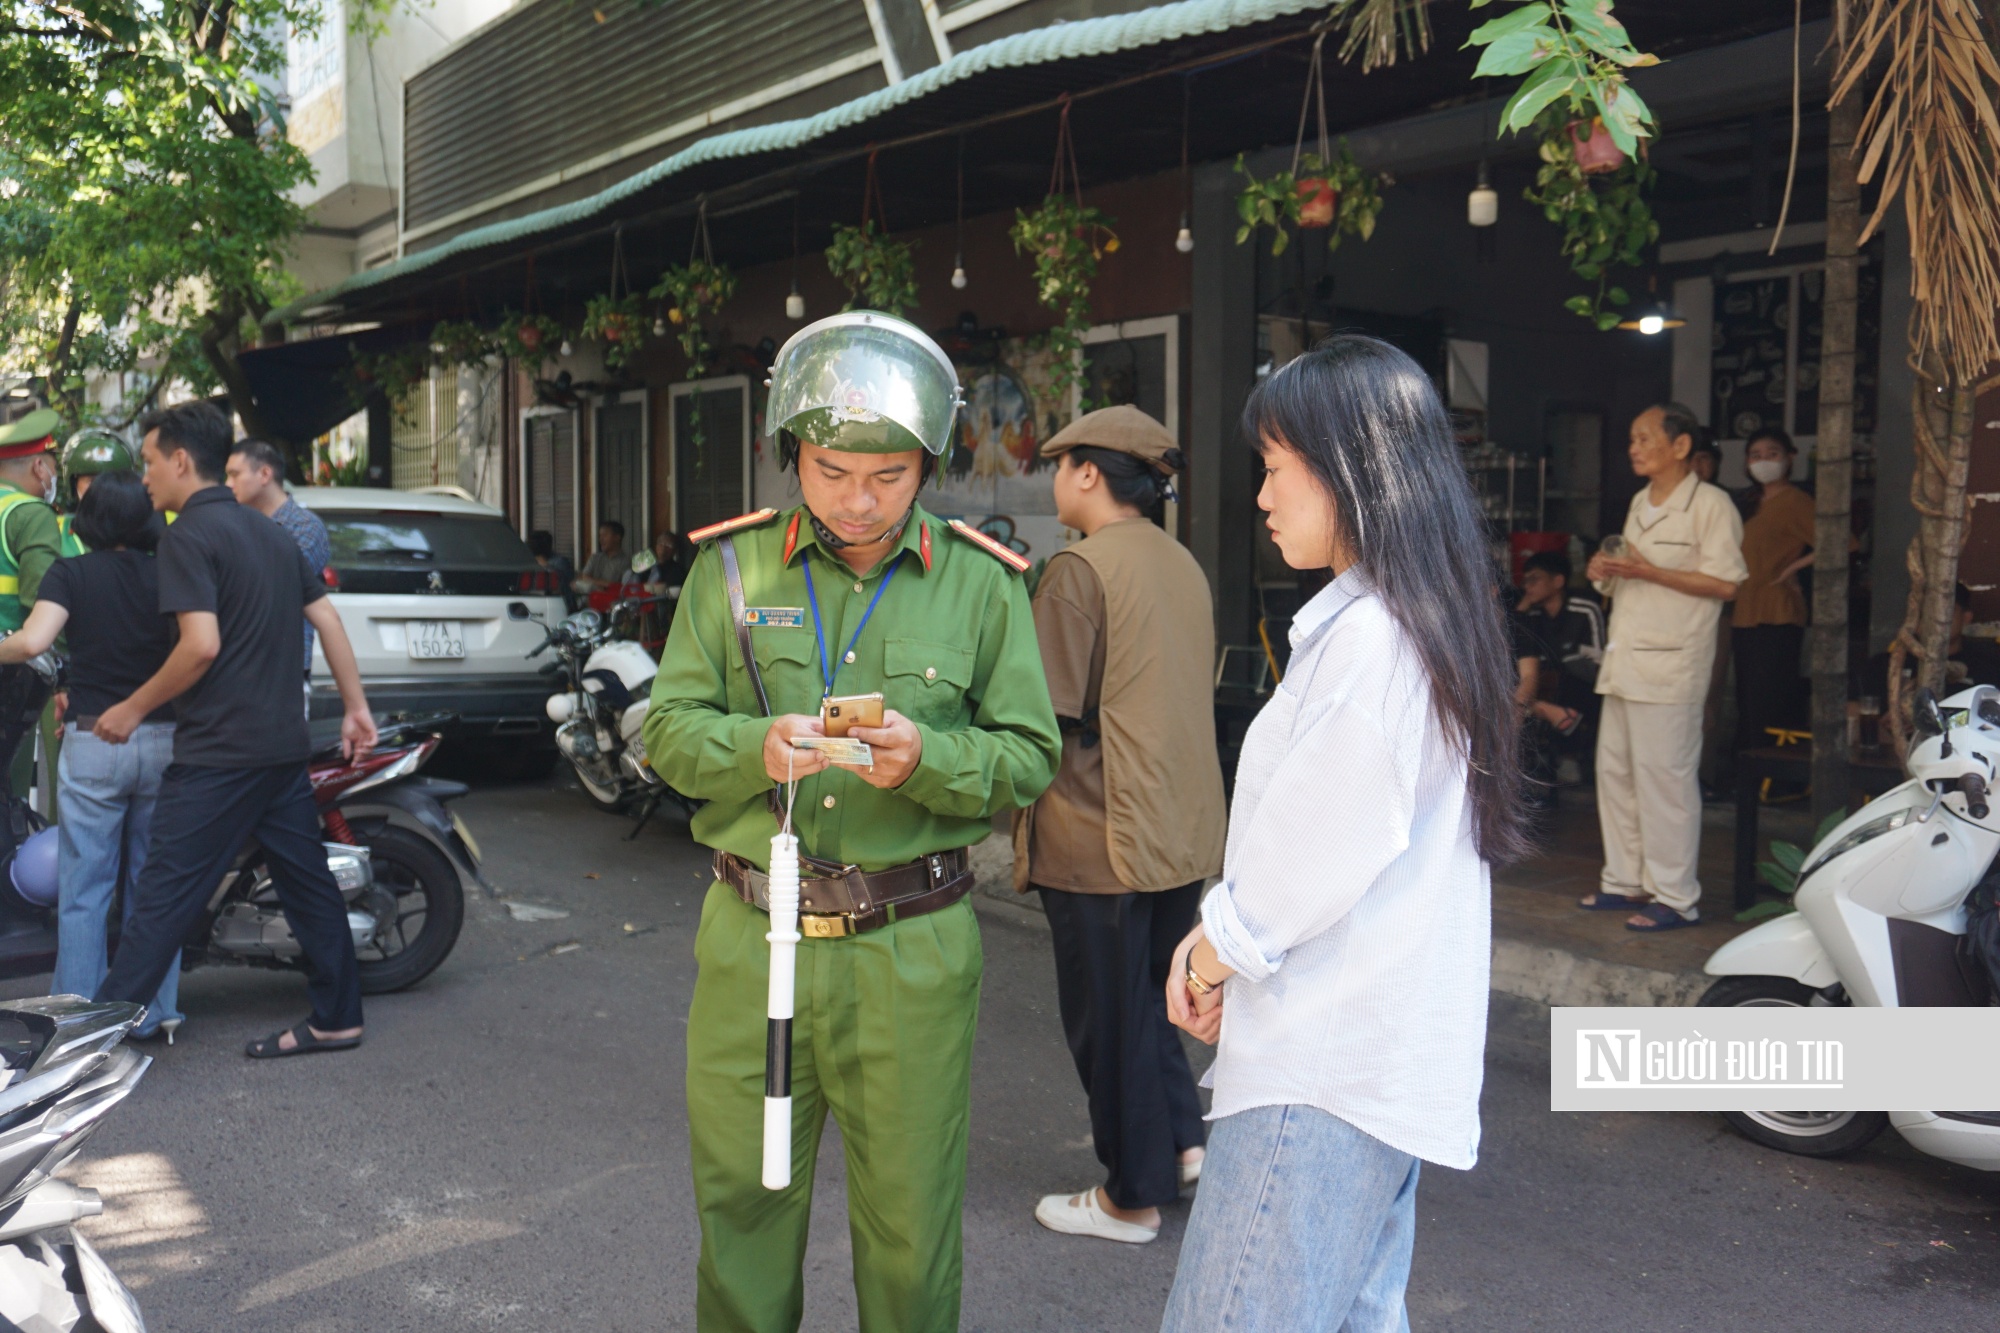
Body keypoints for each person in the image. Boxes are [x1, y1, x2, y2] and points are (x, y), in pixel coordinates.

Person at [645, 312, 1059, 1332]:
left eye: (888, 474)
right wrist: (754, 748)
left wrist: (931, 758)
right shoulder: (734, 571)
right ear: (793, 454)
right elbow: (666, 728)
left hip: (910, 948)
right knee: (743, 1207)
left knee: (911, 1233)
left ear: (929, 462)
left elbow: (1028, 753)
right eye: (830, 471)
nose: (858, 500)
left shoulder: (980, 583)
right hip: (754, 940)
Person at [1158, 336, 1532, 1333]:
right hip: (1363, 1066)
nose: (1263, 496)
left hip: (1316, 1075)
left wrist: (1209, 952)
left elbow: (1311, 849)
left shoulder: (1372, 642)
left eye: (1277, 468)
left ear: (1351, 470)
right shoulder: (1417, 624)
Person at [92, 401, 379, 1058]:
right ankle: (338, 1016)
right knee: (308, 884)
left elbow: (200, 645)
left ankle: (89, 1046)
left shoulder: (187, 537)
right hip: (280, 745)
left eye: (149, 462)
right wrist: (356, 706)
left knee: (162, 896)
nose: (145, 479)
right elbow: (328, 621)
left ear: (180, 460)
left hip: (220, 753)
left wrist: (133, 707)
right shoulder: (272, 532)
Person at [1017, 406, 1225, 1245]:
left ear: (1089, 473)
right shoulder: (1181, 563)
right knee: (1150, 996)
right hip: (1177, 824)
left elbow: (1045, 715)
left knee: (1109, 1016)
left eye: (1060, 464)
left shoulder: (1078, 570)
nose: (1055, 479)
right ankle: (1181, 1144)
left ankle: (1130, 1196)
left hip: (1099, 830)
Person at [0, 473, 182, 1039]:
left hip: (95, 739)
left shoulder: (70, 572)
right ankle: (156, 1014)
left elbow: (32, 642)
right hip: (164, 738)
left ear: (89, 520)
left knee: (85, 889)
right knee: (154, 886)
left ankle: (80, 1022)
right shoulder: (171, 573)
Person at [1580, 404, 1746, 932]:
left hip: (1673, 663)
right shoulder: (1638, 502)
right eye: (1632, 438)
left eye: (1645, 438)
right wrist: (1605, 571)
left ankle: (1676, 897)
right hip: (1626, 658)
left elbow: (1726, 584)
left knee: (1665, 782)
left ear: (1680, 447)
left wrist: (1647, 571)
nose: (1634, 447)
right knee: (1617, 774)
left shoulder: (1711, 504)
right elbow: (1630, 574)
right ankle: (1625, 880)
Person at [0, 411, 66, 828]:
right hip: (11, 680)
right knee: (9, 793)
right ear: (39, 466)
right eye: (53, 463)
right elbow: (45, 602)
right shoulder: (29, 515)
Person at [1731, 427, 1814, 753]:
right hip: (1744, 608)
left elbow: (1839, 543)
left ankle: (1772, 772)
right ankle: (1749, 772)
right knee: (1746, 695)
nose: (1763, 462)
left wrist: (1794, 567)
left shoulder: (1797, 501)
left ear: (1790, 457)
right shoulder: (1749, 501)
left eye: (1772, 454)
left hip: (1778, 609)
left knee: (1770, 694)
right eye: (1756, 456)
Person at [226, 438, 332, 678]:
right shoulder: (235, 523)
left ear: (265, 474)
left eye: (234, 475)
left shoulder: (306, 527)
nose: (227, 484)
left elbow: (274, 584)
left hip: (286, 664)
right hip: (240, 661)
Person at [1514, 551, 1606, 805]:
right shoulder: (1531, 614)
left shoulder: (1584, 608)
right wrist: (1521, 612)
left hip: (1583, 685)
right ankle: (1546, 714)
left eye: (1535, 579)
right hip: (1544, 686)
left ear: (1558, 581)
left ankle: (1568, 750)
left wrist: (1561, 658)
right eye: (1525, 581)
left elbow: (1599, 663)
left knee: (1567, 672)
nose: (1528, 586)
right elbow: (1520, 647)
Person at [528, 530, 577, 610]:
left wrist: (545, 565)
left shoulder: (560, 562)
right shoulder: (529, 562)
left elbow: (564, 584)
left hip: (562, 605)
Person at [576, 520, 629, 591]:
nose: (601, 539)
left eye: (605, 535)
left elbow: (619, 586)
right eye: (600, 536)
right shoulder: (595, 558)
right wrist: (600, 586)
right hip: (588, 599)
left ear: (617, 537)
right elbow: (584, 577)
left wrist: (592, 582)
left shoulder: (626, 562)